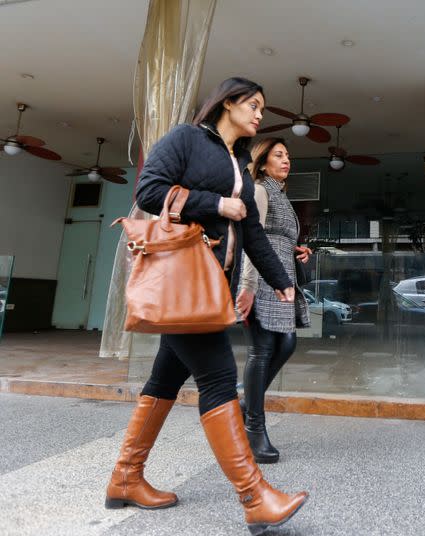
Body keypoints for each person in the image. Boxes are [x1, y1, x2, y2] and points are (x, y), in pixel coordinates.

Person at [104, 77, 308, 533]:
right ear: (227, 103)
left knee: (164, 379)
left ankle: (125, 478)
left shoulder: (238, 161)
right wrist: (217, 203)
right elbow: (149, 192)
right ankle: (255, 497)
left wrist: (281, 283)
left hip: (209, 285)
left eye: (261, 107)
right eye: (253, 104)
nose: (259, 114)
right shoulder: (186, 139)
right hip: (184, 283)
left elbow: (251, 230)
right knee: (218, 378)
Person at [236, 137, 311, 463]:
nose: (286, 160)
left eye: (288, 156)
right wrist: (249, 285)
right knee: (263, 350)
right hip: (263, 280)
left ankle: (243, 405)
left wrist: (298, 250)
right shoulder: (260, 190)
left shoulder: (281, 195)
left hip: (283, 280)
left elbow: (278, 237)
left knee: (287, 345)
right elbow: (254, 239)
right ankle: (254, 428)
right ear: (263, 162)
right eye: (278, 155)